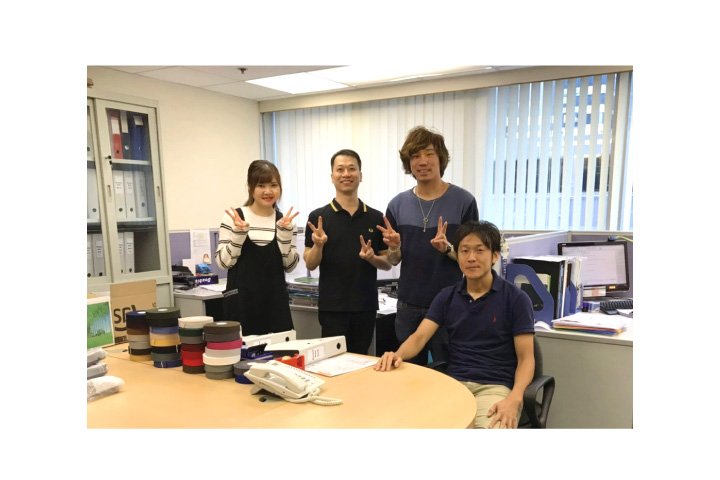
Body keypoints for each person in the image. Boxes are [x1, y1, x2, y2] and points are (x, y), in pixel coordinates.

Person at [375, 220, 535, 429]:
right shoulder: (447, 296)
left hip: (495, 387)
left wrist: (515, 398)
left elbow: (526, 359)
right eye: (464, 251)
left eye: (479, 250)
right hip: (454, 384)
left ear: (495, 255)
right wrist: (397, 355)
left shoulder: (516, 299)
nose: (471, 258)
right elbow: (419, 337)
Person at [377, 126, 479, 365]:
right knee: (409, 372)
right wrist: (395, 247)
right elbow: (393, 259)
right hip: (408, 305)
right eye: (415, 156)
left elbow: (473, 258)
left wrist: (448, 249)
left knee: (452, 370)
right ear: (408, 163)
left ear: (441, 159)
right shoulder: (397, 205)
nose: (422, 161)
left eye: (429, 154)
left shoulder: (464, 201)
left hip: (451, 304)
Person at [304, 149, 392, 354]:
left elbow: (388, 264)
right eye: (340, 169)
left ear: (360, 175)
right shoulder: (319, 217)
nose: (346, 174)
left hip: (365, 307)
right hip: (332, 308)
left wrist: (372, 258)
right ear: (332, 176)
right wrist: (318, 245)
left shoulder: (375, 217)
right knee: (333, 362)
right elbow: (310, 263)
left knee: (361, 360)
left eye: (352, 169)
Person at [215, 160, 300, 336]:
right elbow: (223, 263)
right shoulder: (234, 218)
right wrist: (238, 235)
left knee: (281, 352)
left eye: (273, 185)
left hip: (275, 306)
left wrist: (285, 237)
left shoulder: (285, 221)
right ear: (250, 187)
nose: (268, 191)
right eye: (261, 185)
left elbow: (290, 266)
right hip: (241, 306)